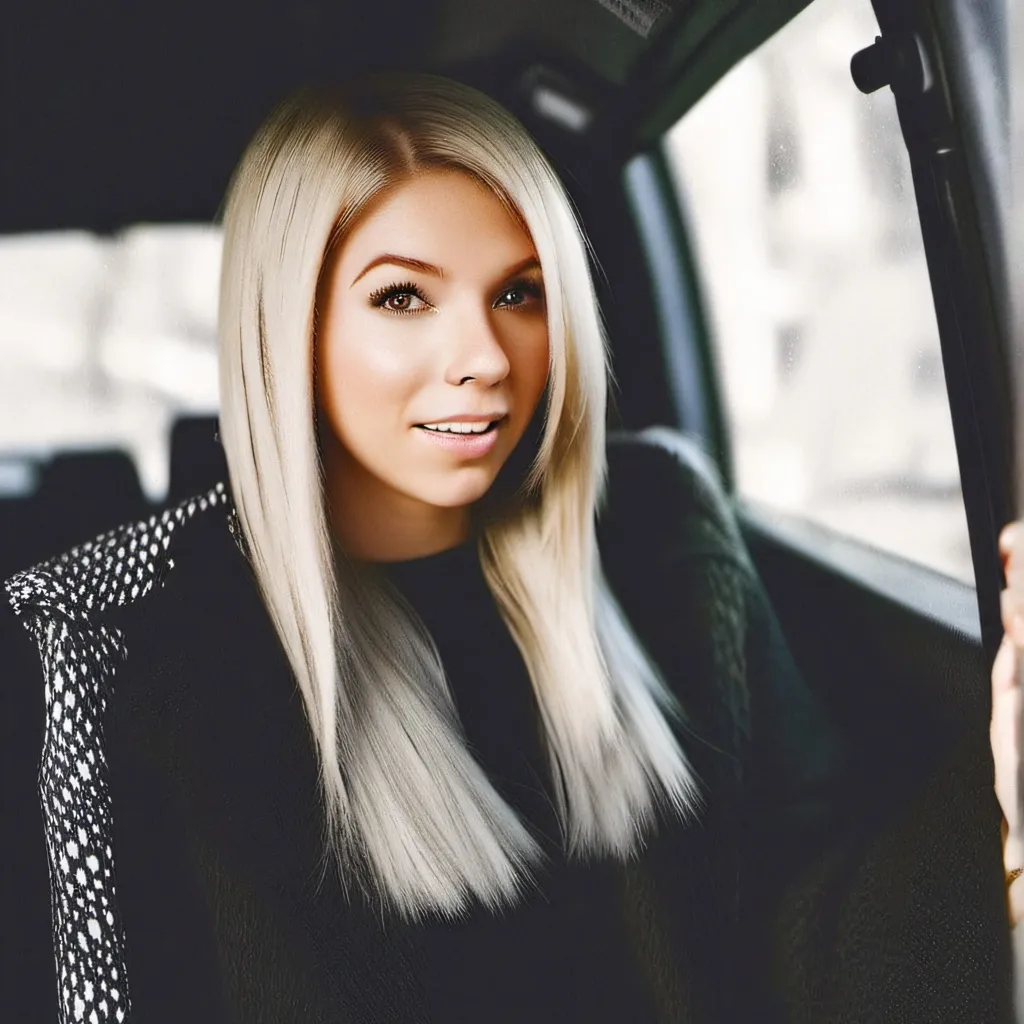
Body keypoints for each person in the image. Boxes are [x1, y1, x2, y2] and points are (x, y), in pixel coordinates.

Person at [2, 71, 1019, 1023]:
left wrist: (1003, 821)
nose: (485, 358)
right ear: (287, 332)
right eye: (403, 298)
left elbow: (811, 934)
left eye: (519, 293)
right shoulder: (118, 650)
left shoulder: (660, 536)